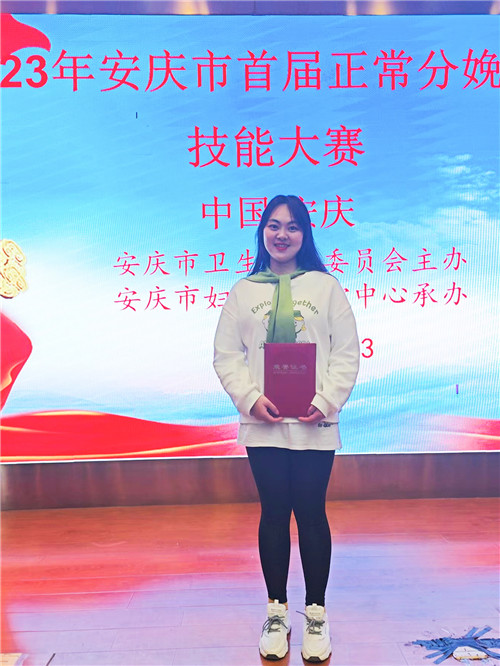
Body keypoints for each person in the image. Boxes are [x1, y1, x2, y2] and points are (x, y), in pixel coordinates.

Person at [213, 194, 359, 662]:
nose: (282, 234)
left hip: (316, 422)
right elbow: (226, 356)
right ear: (262, 232)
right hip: (264, 424)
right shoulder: (243, 291)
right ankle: (276, 612)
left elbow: (347, 353)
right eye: (273, 225)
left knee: (311, 513)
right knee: (274, 513)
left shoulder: (326, 288)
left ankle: (315, 614)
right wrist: (250, 399)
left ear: (305, 234)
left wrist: (325, 401)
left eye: (292, 226)